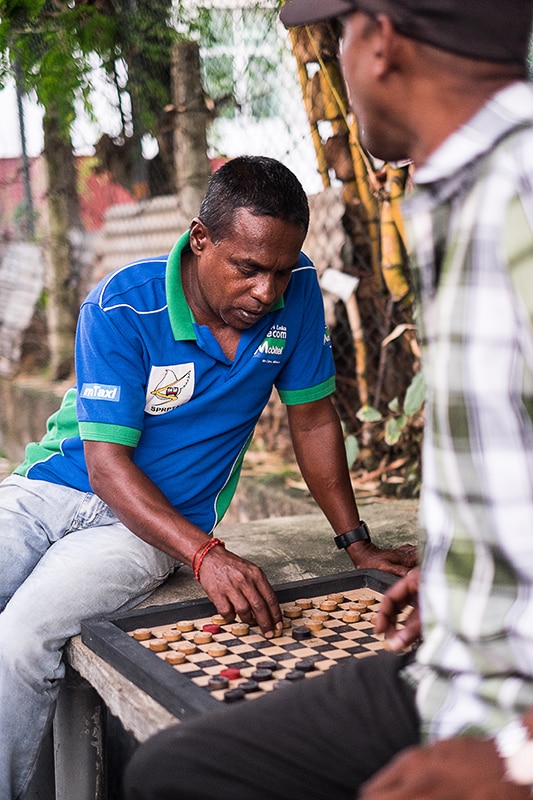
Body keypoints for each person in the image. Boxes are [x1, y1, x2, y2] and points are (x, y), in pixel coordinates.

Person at [122, 2, 533, 799]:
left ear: (379, 40)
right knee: (176, 772)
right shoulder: (465, 192)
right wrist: (467, 571)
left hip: (508, 712)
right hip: (464, 657)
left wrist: (516, 758)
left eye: (338, 34)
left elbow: (312, 414)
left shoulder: (515, 200)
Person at [0, 154, 416, 800]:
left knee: (21, 642)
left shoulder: (296, 293)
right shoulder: (120, 306)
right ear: (200, 240)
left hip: (150, 528)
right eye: (247, 268)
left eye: (280, 270)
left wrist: (354, 541)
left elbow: (310, 421)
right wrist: (208, 555)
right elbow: (106, 467)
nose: (266, 292)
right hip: (51, 488)